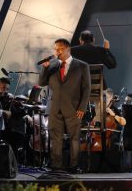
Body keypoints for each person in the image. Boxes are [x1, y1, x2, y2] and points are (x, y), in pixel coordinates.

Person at [38, 38, 91, 173]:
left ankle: (74, 166)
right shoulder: (52, 65)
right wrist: (44, 68)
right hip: (54, 107)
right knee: (55, 139)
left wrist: (82, 107)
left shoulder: (82, 66)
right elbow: (42, 82)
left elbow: (86, 89)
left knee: (74, 138)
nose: (57, 51)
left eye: (60, 48)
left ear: (68, 49)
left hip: (74, 108)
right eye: (55, 49)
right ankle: (56, 166)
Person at [0, 77, 30, 156]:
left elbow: (16, 115)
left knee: (21, 136)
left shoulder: (7, 99)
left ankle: (15, 164)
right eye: (3, 88)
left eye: (7, 89)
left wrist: (24, 108)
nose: (5, 91)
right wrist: (2, 112)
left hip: (5, 130)